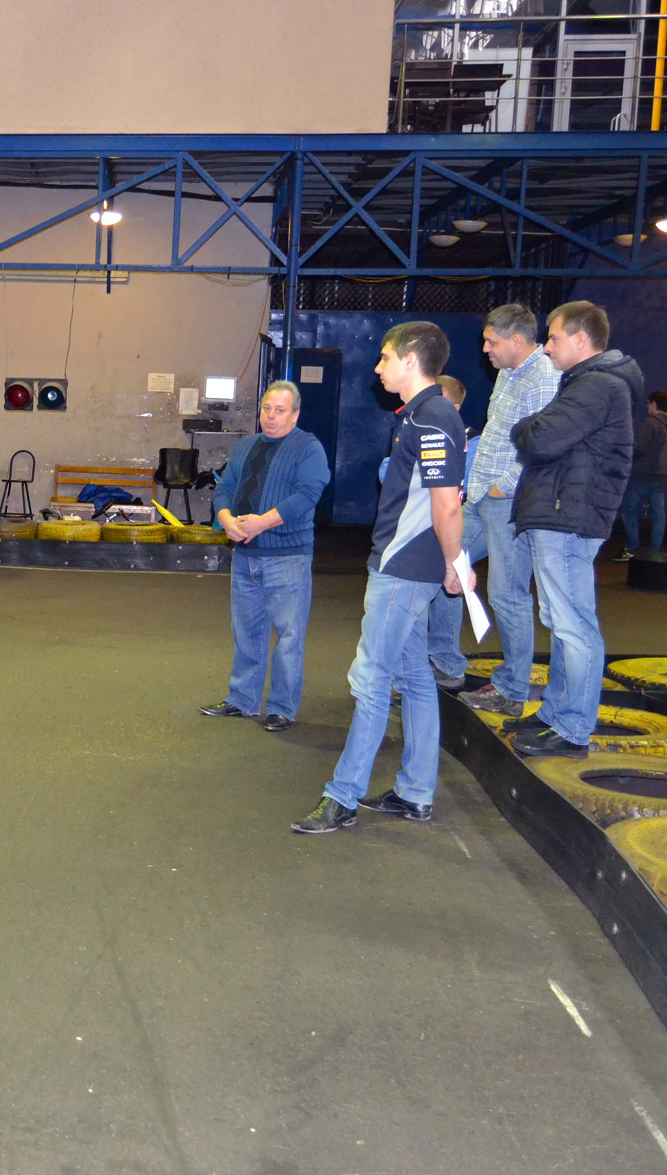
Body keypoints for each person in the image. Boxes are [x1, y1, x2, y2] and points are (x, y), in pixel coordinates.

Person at [294, 322, 471, 835]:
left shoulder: (433, 417)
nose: (377, 368)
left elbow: (446, 504)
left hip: (402, 570)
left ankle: (342, 797)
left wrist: (455, 564)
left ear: (411, 361)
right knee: (413, 676)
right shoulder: (420, 415)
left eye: (385, 358)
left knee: (371, 678)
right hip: (404, 566)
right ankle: (415, 792)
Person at [505, 302, 643, 759]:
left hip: (568, 518)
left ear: (581, 339)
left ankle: (572, 728)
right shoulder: (588, 384)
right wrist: (532, 429)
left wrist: (525, 427)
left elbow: (538, 438)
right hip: (564, 515)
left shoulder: (597, 386)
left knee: (574, 626)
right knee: (561, 622)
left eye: (554, 337)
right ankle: (556, 714)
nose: (547, 347)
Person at [200, 380, 330, 732]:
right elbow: (225, 488)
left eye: (280, 410)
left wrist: (261, 523)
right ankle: (242, 699)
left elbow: (307, 495)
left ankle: (282, 707)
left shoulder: (309, 449)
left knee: (289, 636)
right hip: (245, 556)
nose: (271, 416)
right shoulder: (246, 446)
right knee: (246, 632)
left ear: (295, 414)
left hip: (287, 557)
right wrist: (226, 519)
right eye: (266, 409)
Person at [457, 306, 559, 717]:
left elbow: (542, 447)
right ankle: (444, 662)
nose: (485, 349)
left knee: (506, 594)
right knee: (442, 563)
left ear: (518, 340)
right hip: (480, 494)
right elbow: (499, 434)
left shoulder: (543, 377)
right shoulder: (508, 372)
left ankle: (512, 691)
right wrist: (478, 484)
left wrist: (505, 486)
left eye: (492, 342)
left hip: (507, 501)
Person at [419, 375, 484, 692]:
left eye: (438, 401)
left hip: (475, 515)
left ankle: (447, 664)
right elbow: (387, 470)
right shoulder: (423, 431)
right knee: (439, 566)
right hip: (450, 513)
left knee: (451, 570)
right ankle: (433, 658)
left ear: (455, 408)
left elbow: (456, 489)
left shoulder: (473, 443)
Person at [616, 390, 667, 560]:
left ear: (654, 404)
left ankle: (632, 548)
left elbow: (639, 449)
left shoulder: (650, 423)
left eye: (648, 403)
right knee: (658, 514)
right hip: (662, 475)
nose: (646, 406)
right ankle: (654, 552)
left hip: (643, 474)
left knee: (628, 508)